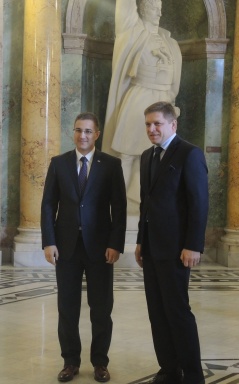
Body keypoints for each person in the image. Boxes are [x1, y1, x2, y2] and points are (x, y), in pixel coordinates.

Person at [41, 112, 127, 383]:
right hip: (66, 247)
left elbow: (120, 208)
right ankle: (70, 362)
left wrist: (115, 244)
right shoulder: (59, 163)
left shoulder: (111, 165)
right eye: (78, 130)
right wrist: (49, 241)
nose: (83, 135)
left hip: (101, 249)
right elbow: (47, 204)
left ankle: (100, 362)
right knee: (67, 308)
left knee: (101, 308)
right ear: (73, 132)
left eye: (88, 131)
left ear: (97, 134)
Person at [135, 102, 208, 384]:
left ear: (172, 125)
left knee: (178, 312)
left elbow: (199, 203)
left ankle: (192, 375)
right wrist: (141, 240)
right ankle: (169, 369)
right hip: (152, 248)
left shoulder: (189, 153)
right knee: (157, 311)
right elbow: (146, 203)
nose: (152, 129)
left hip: (178, 249)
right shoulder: (146, 156)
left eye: (157, 124)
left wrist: (194, 245)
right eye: (148, 124)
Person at [102, 0, 182, 210]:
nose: (158, 12)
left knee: (157, 154)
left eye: (160, 9)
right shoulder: (132, 30)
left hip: (164, 99)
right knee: (127, 154)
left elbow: (175, 80)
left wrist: (170, 103)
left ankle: (145, 203)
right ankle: (117, 204)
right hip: (138, 98)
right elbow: (126, 8)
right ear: (142, 10)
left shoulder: (168, 40)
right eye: (153, 8)